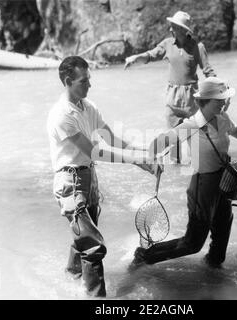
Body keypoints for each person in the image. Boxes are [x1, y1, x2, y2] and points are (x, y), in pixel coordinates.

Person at [47, 56, 160, 297]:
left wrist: (142, 154)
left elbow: (110, 138)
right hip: (70, 182)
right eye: (84, 81)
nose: (90, 85)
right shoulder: (61, 115)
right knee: (93, 244)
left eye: (89, 79)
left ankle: (70, 279)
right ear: (68, 81)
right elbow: (93, 150)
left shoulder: (89, 107)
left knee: (84, 237)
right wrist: (134, 160)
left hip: (88, 178)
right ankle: (96, 297)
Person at [130, 77, 237, 269]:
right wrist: (155, 160)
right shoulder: (190, 126)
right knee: (192, 244)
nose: (224, 102)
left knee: (223, 227)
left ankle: (213, 267)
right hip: (202, 186)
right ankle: (144, 256)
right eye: (219, 100)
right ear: (205, 102)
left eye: (224, 99)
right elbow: (158, 144)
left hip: (223, 183)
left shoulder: (223, 118)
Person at [125, 11, 216, 163]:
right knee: (173, 141)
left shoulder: (198, 47)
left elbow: (208, 71)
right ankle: (176, 173)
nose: (170, 29)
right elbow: (151, 55)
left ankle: (200, 171)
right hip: (172, 100)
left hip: (191, 101)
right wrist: (136, 58)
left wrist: (219, 93)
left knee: (195, 143)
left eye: (173, 26)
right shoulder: (167, 44)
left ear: (182, 29)